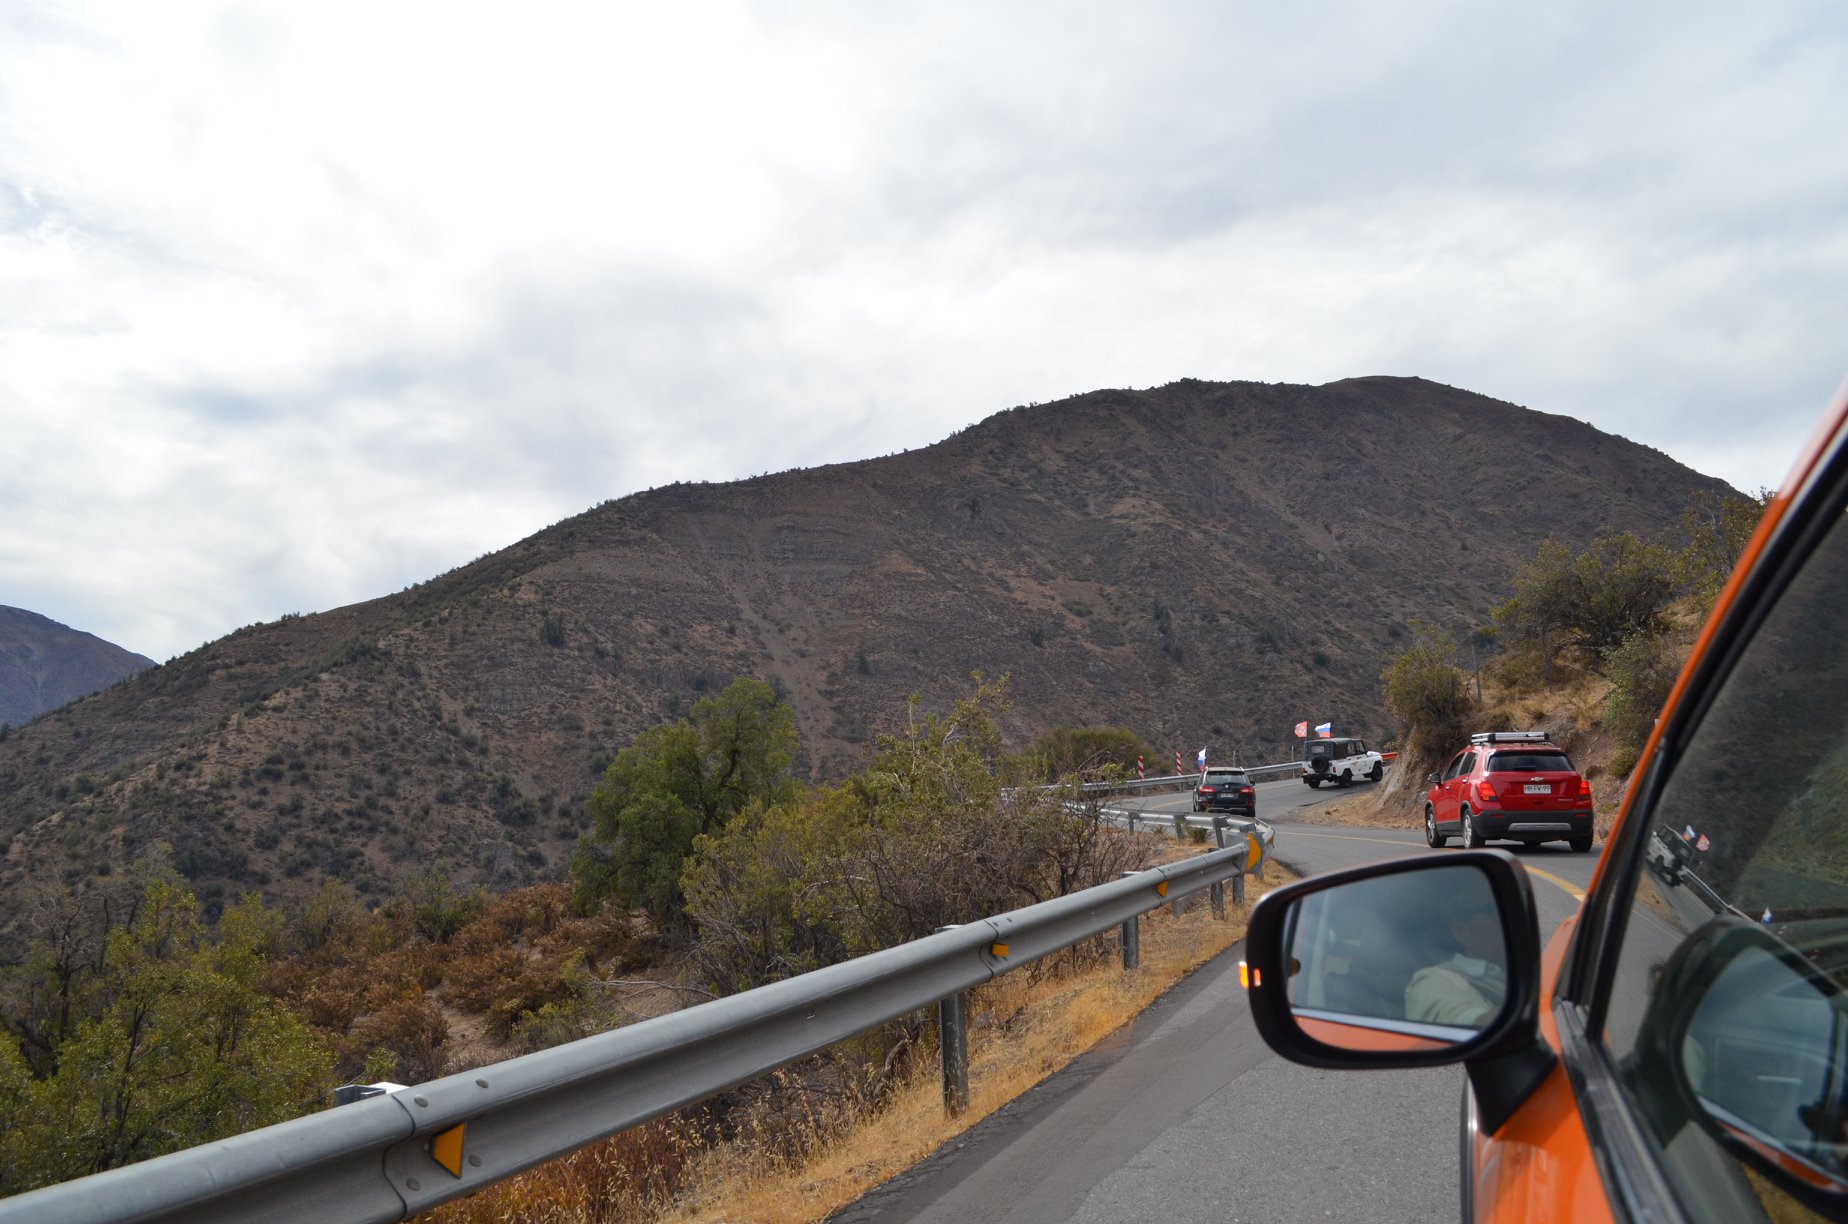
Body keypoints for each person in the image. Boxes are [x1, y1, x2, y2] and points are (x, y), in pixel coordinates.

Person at [1405, 899, 1507, 1027]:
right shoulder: (1435, 979)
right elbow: (1460, 1022)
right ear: (1460, 931)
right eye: (1492, 910)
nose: (1507, 918)